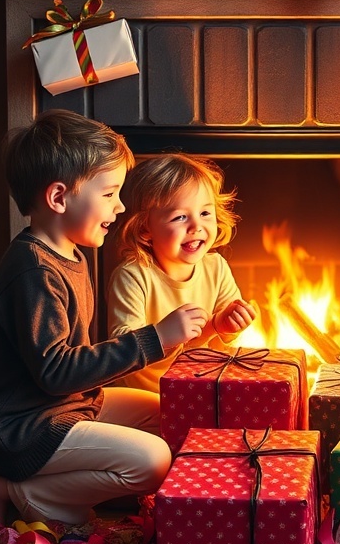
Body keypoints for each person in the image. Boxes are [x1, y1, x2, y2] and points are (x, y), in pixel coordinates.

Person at [0, 109, 209, 526]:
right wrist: (155, 338)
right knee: (153, 460)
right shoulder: (34, 272)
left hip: (63, 406)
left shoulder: (68, 255)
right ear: (59, 198)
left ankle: (42, 487)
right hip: (19, 427)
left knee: (168, 413)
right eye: (110, 193)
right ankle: (17, 488)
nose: (120, 207)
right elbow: (57, 372)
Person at [107, 153, 256, 392]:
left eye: (205, 213)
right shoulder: (133, 276)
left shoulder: (215, 267)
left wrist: (229, 324)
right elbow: (121, 351)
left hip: (199, 391)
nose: (196, 226)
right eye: (180, 217)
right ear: (145, 228)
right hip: (145, 394)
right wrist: (163, 334)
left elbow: (225, 343)